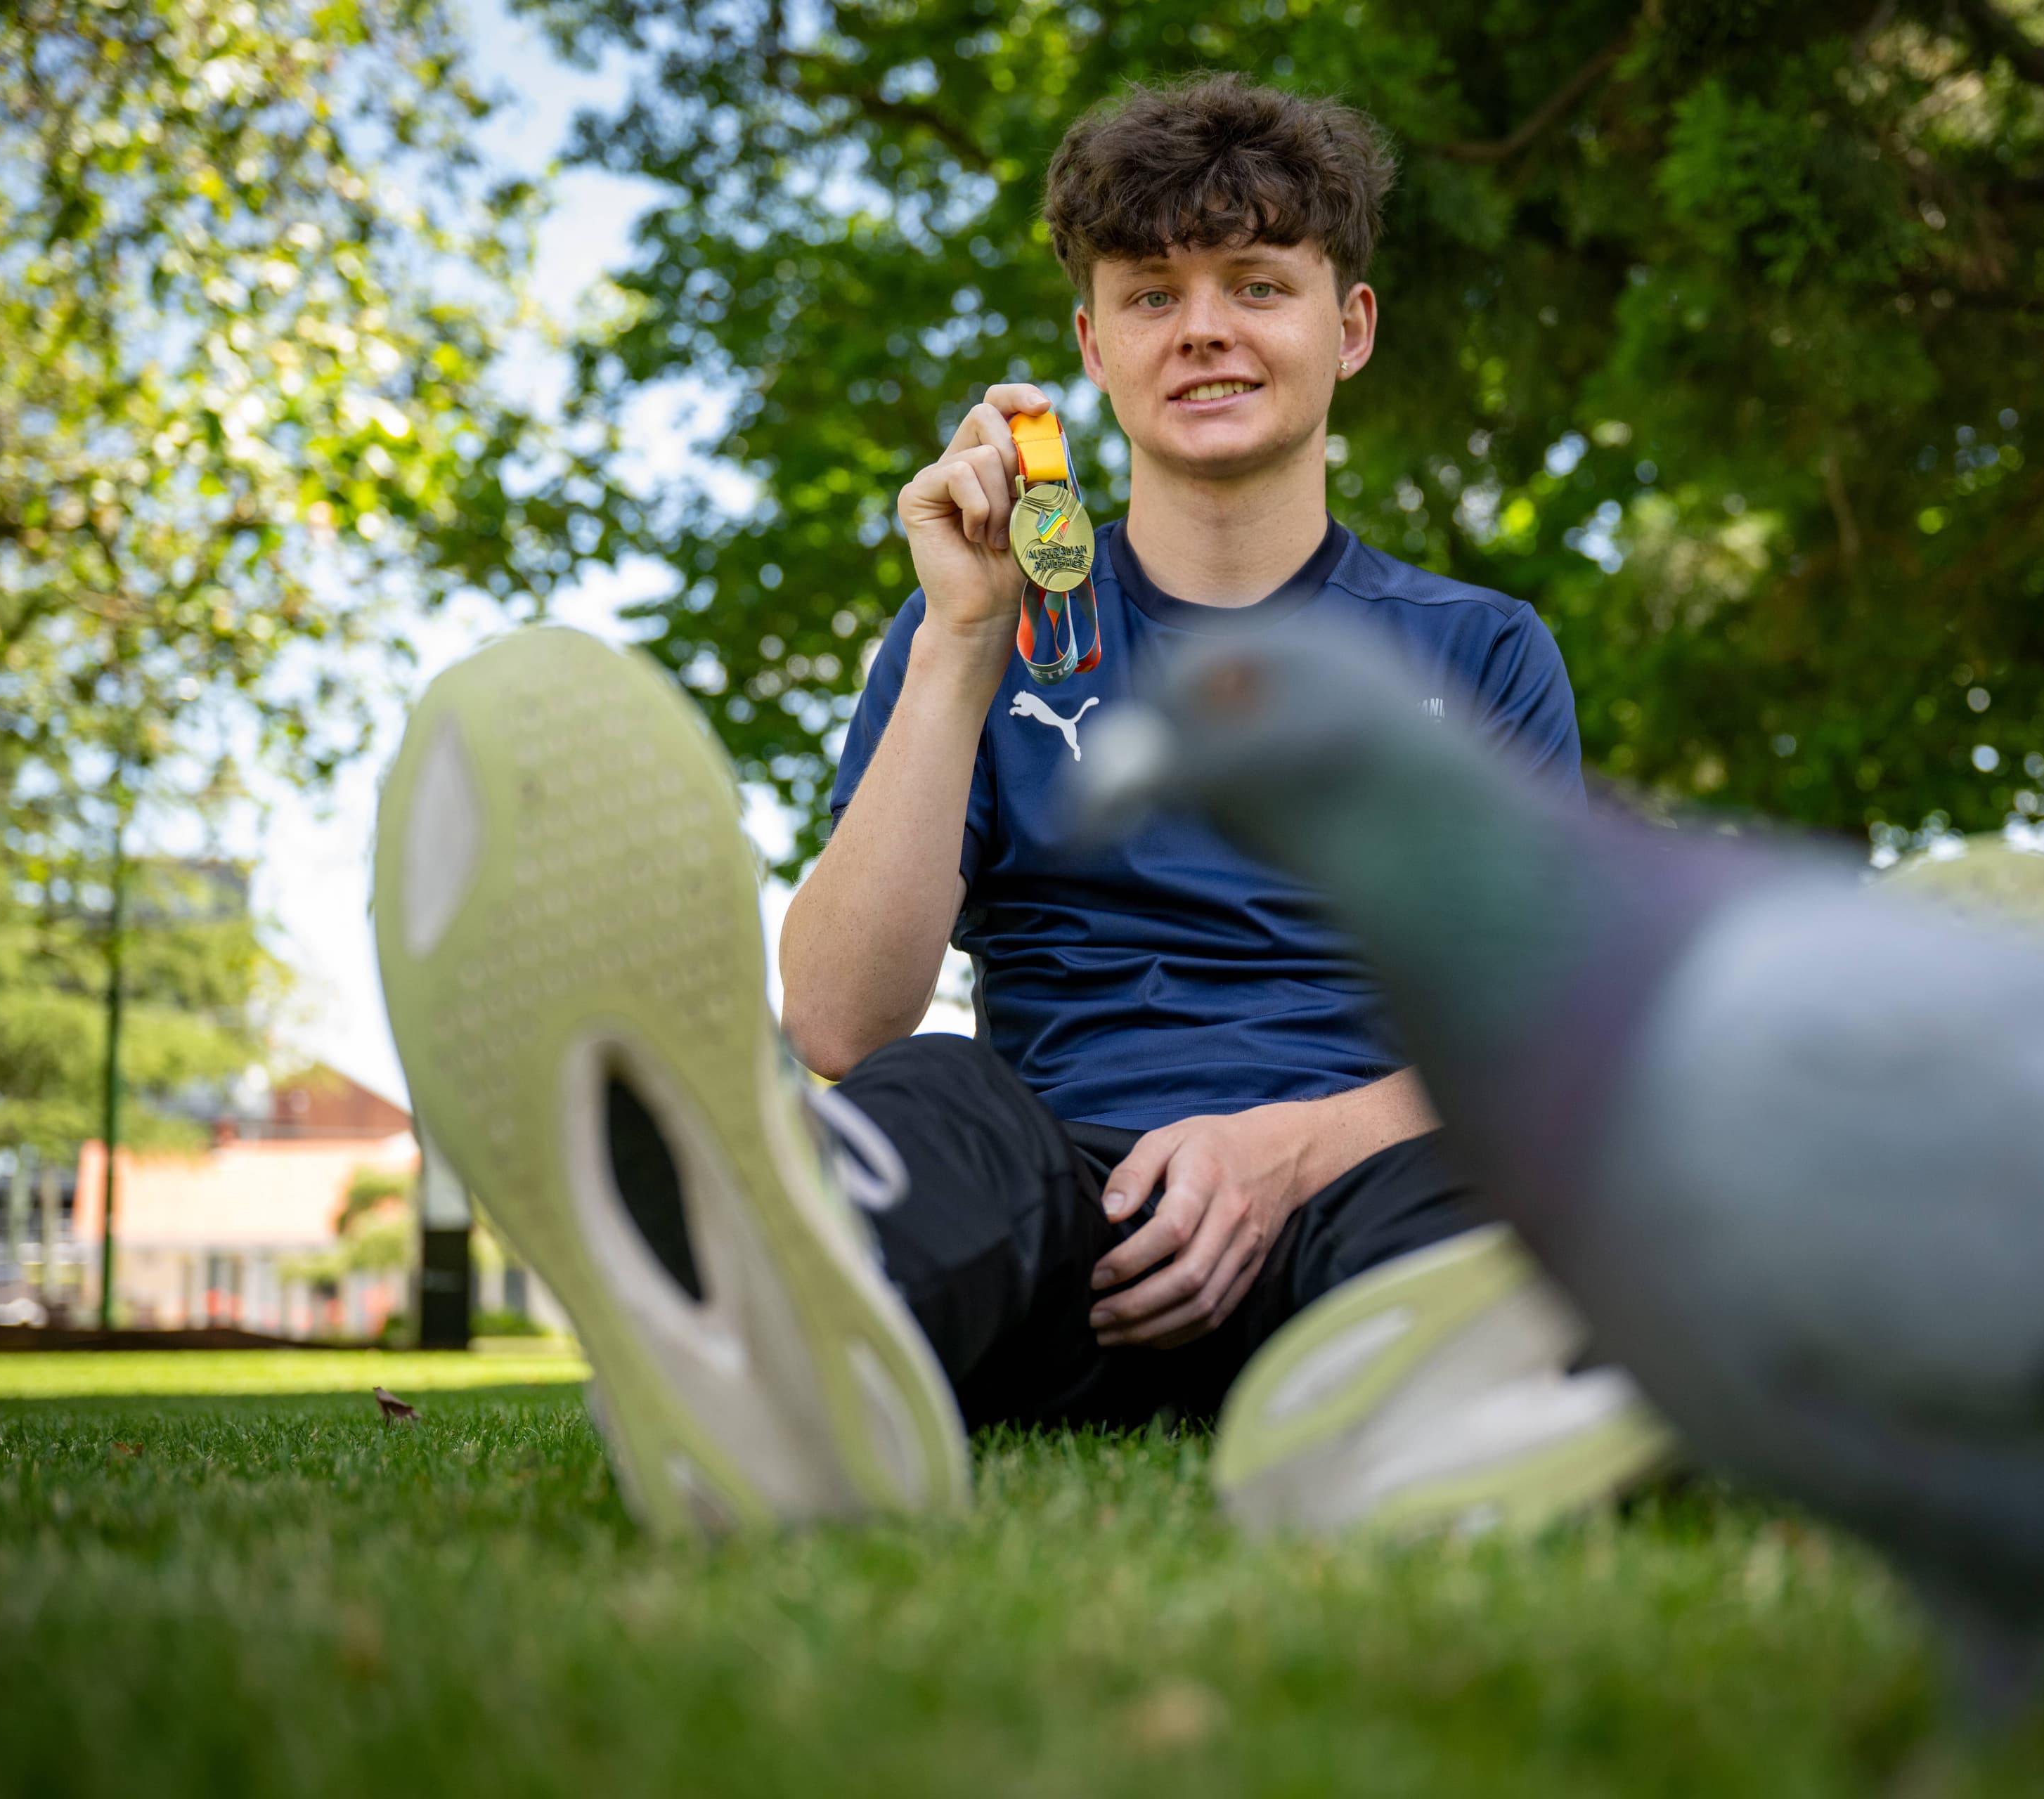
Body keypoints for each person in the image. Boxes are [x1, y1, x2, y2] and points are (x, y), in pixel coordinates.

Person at [374, 74, 1667, 1538]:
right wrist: (957, 650)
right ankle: (775, 1335)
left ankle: (1490, 1389)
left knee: (1514, 1166)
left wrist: (1281, 1148)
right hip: (1048, 1225)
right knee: (928, 1097)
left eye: (1259, 284)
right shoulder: (972, 629)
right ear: (1091, 347)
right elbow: (842, 1016)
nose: (1205, 329)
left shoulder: (1479, 650)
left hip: (1352, 1210)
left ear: (1348, 327)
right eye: (1153, 292)